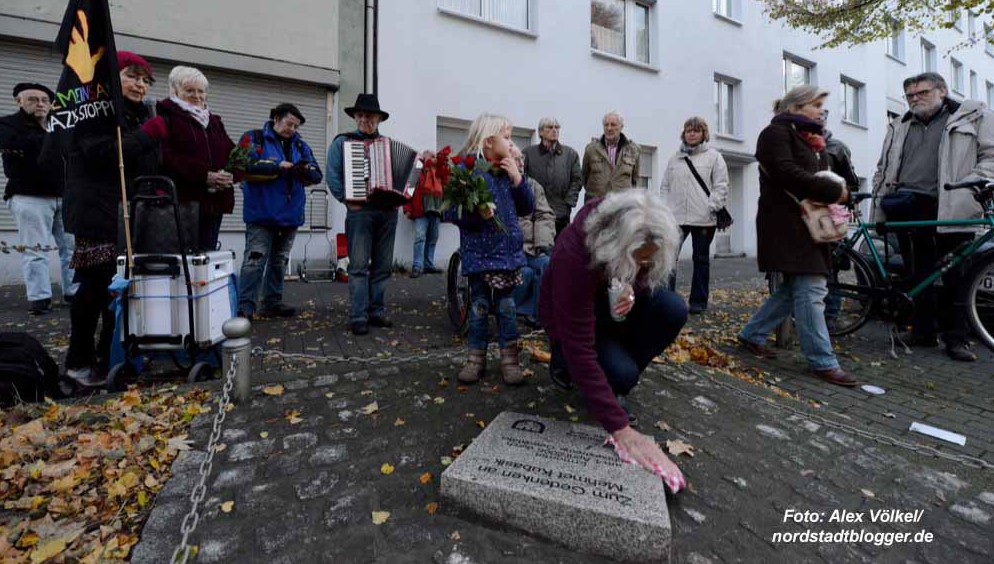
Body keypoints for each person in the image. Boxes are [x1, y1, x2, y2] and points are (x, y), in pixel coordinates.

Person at [538, 189, 687, 489]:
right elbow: (580, 345)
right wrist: (620, 429)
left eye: (648, 262)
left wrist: (633, 289)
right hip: (573, 320)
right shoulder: (573, 255)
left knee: (672, 308)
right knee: (617, 372)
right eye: (638, 261)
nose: (643, 267)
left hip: (612, 309)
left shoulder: (641, 235)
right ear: (615, 247)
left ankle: (610, 378)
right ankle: (567, 365)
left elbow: (643, 277)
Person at [736, 85, 856, 387]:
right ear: (796, 106)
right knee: (812, 290)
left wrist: (836, 190)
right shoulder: (775, 133)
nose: (820, 112)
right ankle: (822, 361)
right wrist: (834, 191)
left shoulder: (811, 138)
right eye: (815, 105)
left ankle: (752, 335)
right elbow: (787, 172)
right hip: (787, 224)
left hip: (807, 224)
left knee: (794, 289)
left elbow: (816, 176)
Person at [871, 72, 994, 362]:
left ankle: (956, 339)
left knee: (957, 275)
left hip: (952, 207)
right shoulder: (899, 125)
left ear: (942, 91)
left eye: (922, 93)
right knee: (919, 274)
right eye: (910, 95)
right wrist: (878, 198)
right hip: (907, 206)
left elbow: (991, 156)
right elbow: (883, 166)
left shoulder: (972, 117)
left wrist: (973, 182)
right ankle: (922, 331)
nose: (915, 99)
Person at [63, 52, 166, 386]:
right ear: (111, 78)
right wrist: (149, 135)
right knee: (94, 288)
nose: (140, 85)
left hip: (128, 214)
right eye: (132, 76)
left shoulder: (139, 114)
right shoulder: (94, 111)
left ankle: (111, 357)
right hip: (98, 213)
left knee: (119, 289)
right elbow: (103, 155)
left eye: (145, 80)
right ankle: (78, 360)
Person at [446, 114, 534, 385]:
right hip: (479, 254)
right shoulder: (467, 171)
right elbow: (451, 211)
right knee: (480, 306)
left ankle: (510, 361)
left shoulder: (509, 171)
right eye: (506, 137)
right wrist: (476, 213)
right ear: (488, 142)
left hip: (507, 256)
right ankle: (476, 359)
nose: (511, 142)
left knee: (507, 307)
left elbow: (527, 207)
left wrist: (518, 179)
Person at [236, 103, 323, 320]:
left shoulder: (301, 145)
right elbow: (241, 165)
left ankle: (272, 302)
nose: (292, 129)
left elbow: (317, 174)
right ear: (275, 119)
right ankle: (246, 306)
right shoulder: (254, 138)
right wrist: (277, 166)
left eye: (295, 126)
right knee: (255, 260)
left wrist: (304, 170)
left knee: (279, 260)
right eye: (288, 124)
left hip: (290, 215)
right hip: (261, 214)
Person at [328, 94, 405, 335]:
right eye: (360, 115)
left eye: (370, 116)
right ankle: (358, 316)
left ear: (378, 119)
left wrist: (400, 198)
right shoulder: (343, 142)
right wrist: (347, 200)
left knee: (382, 267)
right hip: (360, 213)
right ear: (355, 117)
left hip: (387, 214)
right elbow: (332, 175)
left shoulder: (389, 145)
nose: (364, 120)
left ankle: (376, 312)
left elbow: (403, 179)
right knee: (359, 266)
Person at [0, 82, 76, 315]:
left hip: (64, 195)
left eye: (44, 100)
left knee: (71, 248)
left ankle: (72, 292)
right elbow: (18, 145)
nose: (40, 104)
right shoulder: (7, 124)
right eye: (33, 99)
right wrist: (50, 140)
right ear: (19, 101)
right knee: (35, 249)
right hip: (28, 195)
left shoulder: (60, 123)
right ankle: (40, 298)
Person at [157, 66, 237, 251]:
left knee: (206, 260)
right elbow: (165, 156)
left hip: (214, 203)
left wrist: (231, 174)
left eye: (201, 91)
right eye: (189, 90)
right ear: (175, 91)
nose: (197, 96)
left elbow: (232, 153)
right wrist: (204, 175)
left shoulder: (214, 122)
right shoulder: (164, 116)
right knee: (183, 261)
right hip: (181, 203)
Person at [660, 116, 729, 314]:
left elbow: (721, 185)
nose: (691, 133)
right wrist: (665, 209)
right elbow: (665, 185)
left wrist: (711, 206)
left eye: (696, 130)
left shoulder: (714, 157)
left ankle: (698, 302)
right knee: (668, 258)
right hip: (676, 217)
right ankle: (667, 298)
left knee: (701, 260)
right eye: (689, 130)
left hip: (704, 219)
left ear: (703, 134)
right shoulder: (675, 158)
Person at [510, 143, 555, 326]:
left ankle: (539, 316)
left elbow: (544, 215)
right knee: (526, 273)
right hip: (510, 249)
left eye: (522, 159)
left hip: (531, 246)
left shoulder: (533, 186)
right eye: (516, 160)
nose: (520, 163)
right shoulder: (499, 185)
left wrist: (542, 244)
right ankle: (512, 310)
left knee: (548, 265)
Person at [522, 117, 582, 236]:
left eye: (557, 127)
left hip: (561, 215)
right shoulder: (528, 153)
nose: (554, 130)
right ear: (540, 132)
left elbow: (577, 180)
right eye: (550, 127)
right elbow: (522, 179)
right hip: (536, 214)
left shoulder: (570, 154)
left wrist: (567, 204)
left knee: (561, 250)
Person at [581, 111, 641, 198]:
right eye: (606, 125)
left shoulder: (633, 150)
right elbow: (584, 177)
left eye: (613, 125)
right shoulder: (591, 149)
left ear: (621, 127)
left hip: (621, 204)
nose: (609, 128)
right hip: (596, 204)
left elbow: (635, 181)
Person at [403, 152, 444, 278]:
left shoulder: (439, 172)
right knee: (420, 237)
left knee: (433, 237)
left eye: (434, 156)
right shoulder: (417, 170)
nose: (433, 158)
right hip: (421, 209)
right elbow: (409, 190)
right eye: (430, 156)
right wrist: (407, 208)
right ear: (424, 157)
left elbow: (446, 188)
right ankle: (417, 266)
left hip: (436, 210)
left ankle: (428, 265)